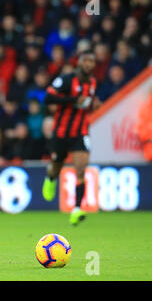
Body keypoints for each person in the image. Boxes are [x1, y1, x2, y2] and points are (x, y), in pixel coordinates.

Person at [41, 50, 101, 226]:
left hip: (80, 131)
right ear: (79, 62)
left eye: (92, 61)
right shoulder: (66, 80)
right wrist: (73, 99)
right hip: (61, 131)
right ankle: (51, 178)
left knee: (81, 169)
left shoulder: (93, 83)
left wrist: (94, 105)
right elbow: (48, 97)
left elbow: (87, 104)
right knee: (56, 165)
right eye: (86, 60)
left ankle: (76, 209)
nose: (89, 64)